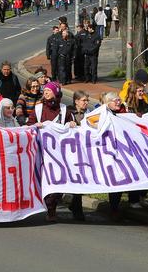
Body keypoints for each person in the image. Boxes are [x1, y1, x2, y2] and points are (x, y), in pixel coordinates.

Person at [27, 82, 73, 221]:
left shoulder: (65, 110)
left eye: (49, 90)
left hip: (59, 152)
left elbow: (72, 127)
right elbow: (29, 125)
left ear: (56, 92)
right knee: (45, 179)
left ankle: (52, 206)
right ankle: (49, 208)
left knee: (59, 179)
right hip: (42, 150)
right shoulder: (39, 108)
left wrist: (72, 124)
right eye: (44, 90)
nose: (45, 92)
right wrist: (35, 125)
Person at [66, 90, 91, 220]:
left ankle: (76, 206)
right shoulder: (67, 113)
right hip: (71, 150)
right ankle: (76, 207)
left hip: (84, 151)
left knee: (82, 179)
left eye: (87, 100)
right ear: (76, 101)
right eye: (84, 100)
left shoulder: (89, 114)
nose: (86, 103)